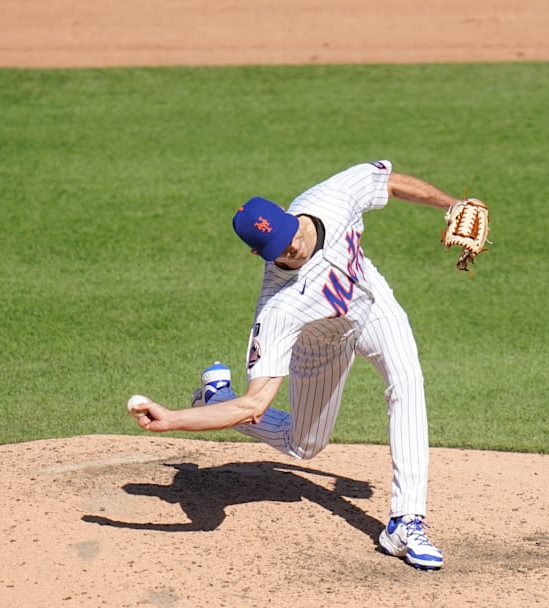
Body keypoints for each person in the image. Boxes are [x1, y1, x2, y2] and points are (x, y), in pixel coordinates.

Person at [128, 160, 466, 570]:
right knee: (304, 446)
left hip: (375, 306)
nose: (292, 250)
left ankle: (405, 521)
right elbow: (255, 407)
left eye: (289, 237)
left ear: (288, 217)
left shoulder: (332, 198)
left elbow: (389, 183)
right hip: (321, 345)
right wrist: (173, 419)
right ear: (257, 253)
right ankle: (215, 397)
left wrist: (452, 205)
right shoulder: (278, 308)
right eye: (277, 250)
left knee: (407, 381)